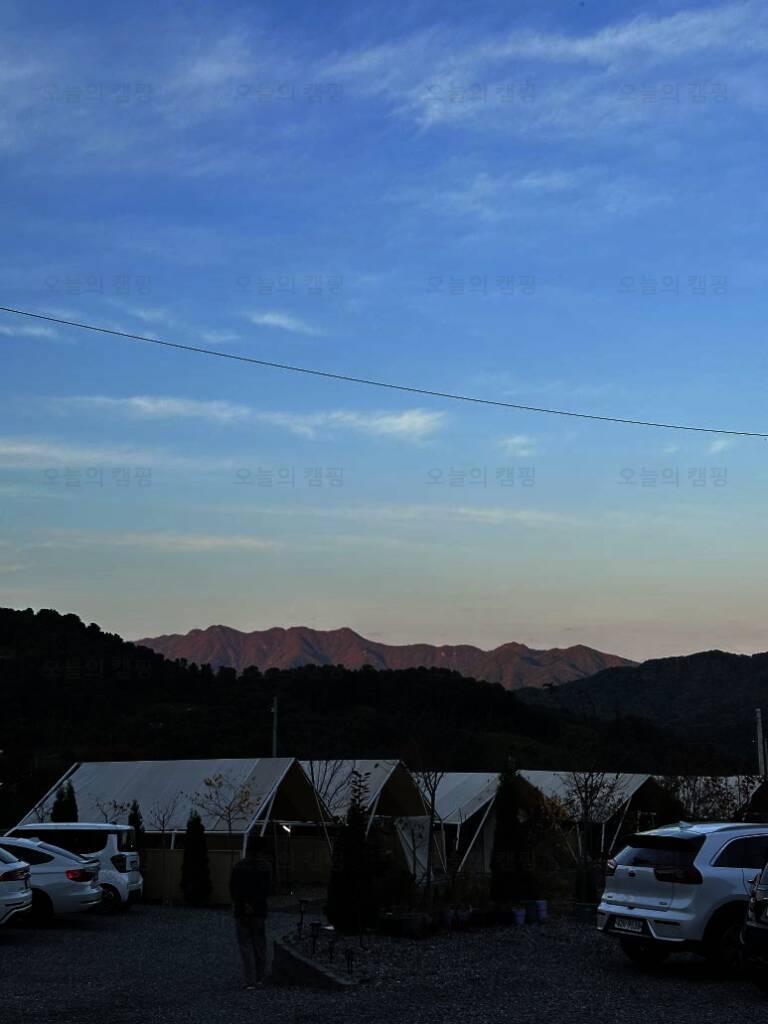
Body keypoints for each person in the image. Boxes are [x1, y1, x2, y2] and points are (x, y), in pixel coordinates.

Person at [229, 835, 273, 989]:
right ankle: (261, 977)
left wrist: (243, 903)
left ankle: (250, 980)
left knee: (245, 945)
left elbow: (233, 888)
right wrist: (254, 904)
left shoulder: (239, 866)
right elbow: (267, 890)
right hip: (259, 910)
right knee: (259, 943)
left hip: (241, 910)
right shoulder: (266, 868)